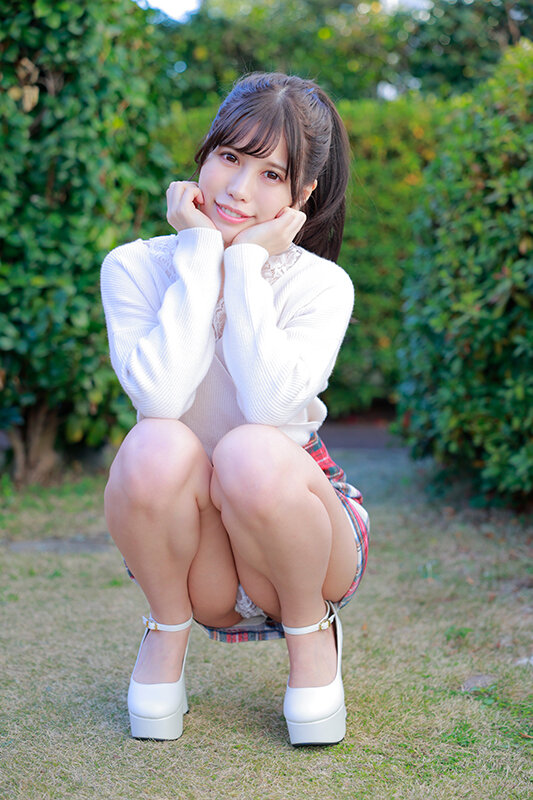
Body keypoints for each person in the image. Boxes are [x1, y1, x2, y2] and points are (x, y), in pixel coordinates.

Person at [101, 72, 369, 747]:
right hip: (197, 556)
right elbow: (160, 397)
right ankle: (165, 633)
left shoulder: (321, 285)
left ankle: (311, 634)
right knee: (153, 442)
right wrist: (200, 256)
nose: (238, 189)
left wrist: (245, 265)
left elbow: (270, 406)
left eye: (271, 174)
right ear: (204, 154)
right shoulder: (133, 268)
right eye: (229, 157)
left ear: (302, 195)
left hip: (301, 539)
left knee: (250, 447)